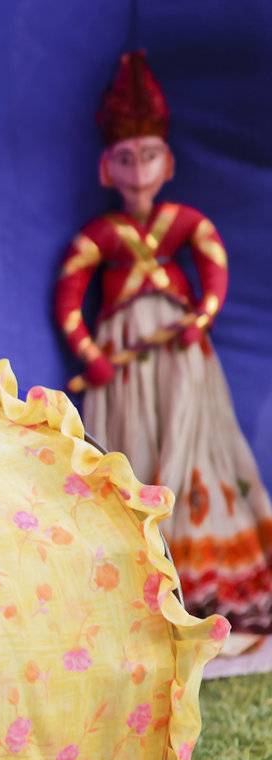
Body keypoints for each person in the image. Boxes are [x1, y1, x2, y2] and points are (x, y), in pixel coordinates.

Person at [55, 51, 272, 639]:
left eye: (148, 156)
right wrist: (90, 352)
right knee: (129, 447)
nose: (138, 168)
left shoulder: (182, 222)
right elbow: (70, 294)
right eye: (126, 158)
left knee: (192, 440)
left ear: (168, 161)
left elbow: (213, 261)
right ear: (107, 168)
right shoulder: (101, 237)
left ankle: (198, 564)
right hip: (125, 365)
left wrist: (202, 315)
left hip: (180, 357)